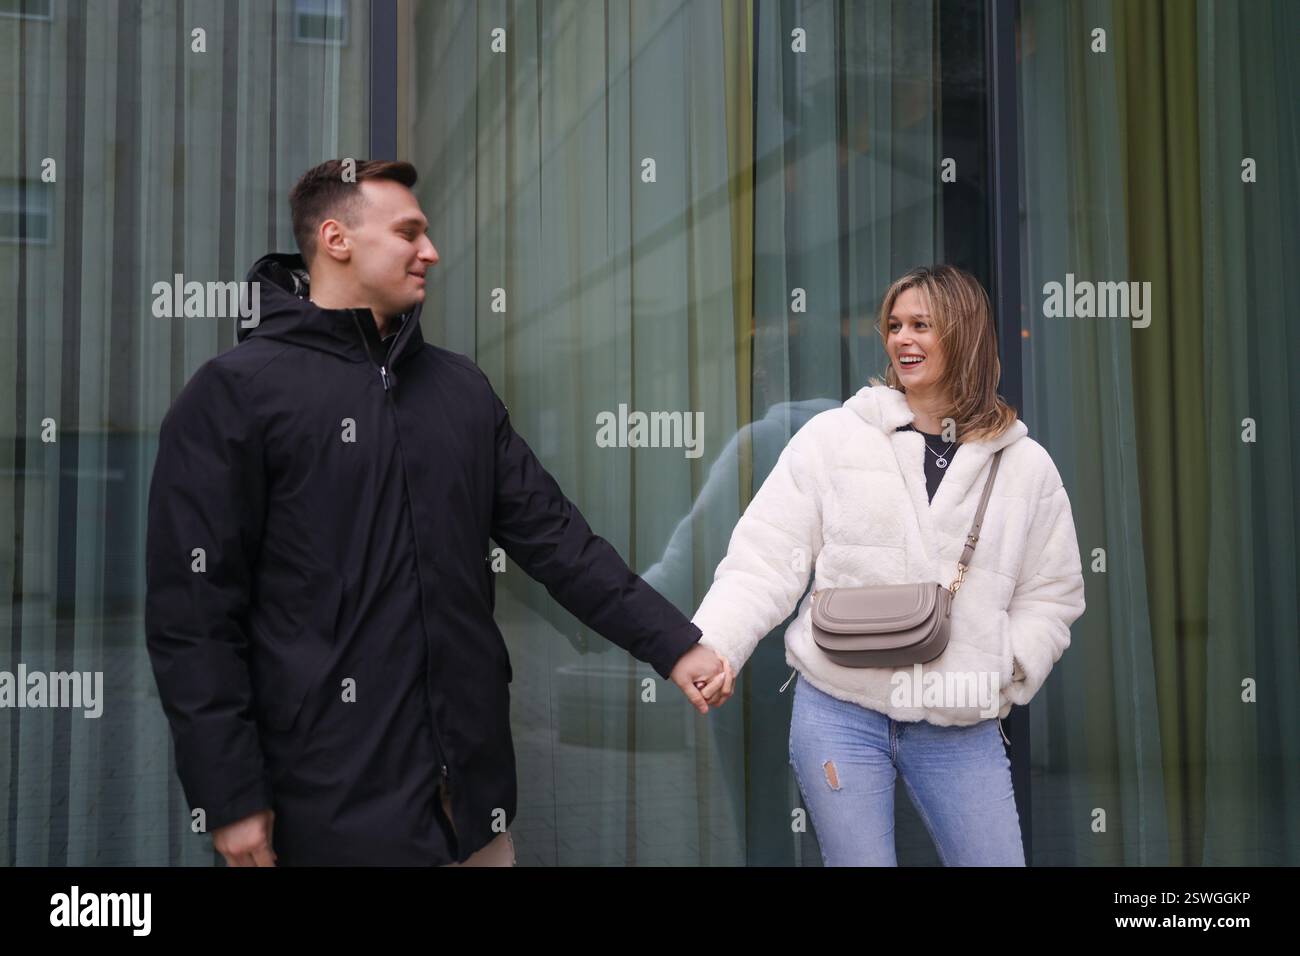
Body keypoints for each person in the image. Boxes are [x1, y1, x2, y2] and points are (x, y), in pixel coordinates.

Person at [145, 158, 727, 867]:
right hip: (324, 816)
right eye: (408, 232)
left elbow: (557, 541)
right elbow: (194, 620)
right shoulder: (233, 395)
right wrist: (231, 796)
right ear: (337, 239)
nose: (432, 250)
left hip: (471, 814)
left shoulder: (460, 391)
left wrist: (672, 642)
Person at [692, 265, 1086, 866]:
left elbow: (1052, 594)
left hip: (961, 722)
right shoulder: (834, 439)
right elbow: (764, 558)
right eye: (895, 325)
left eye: (922, 325)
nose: (903, 338)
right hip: (839, 710)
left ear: (965, 334)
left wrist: (1004, 664)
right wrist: (718, 643)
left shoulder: (1025, 466)